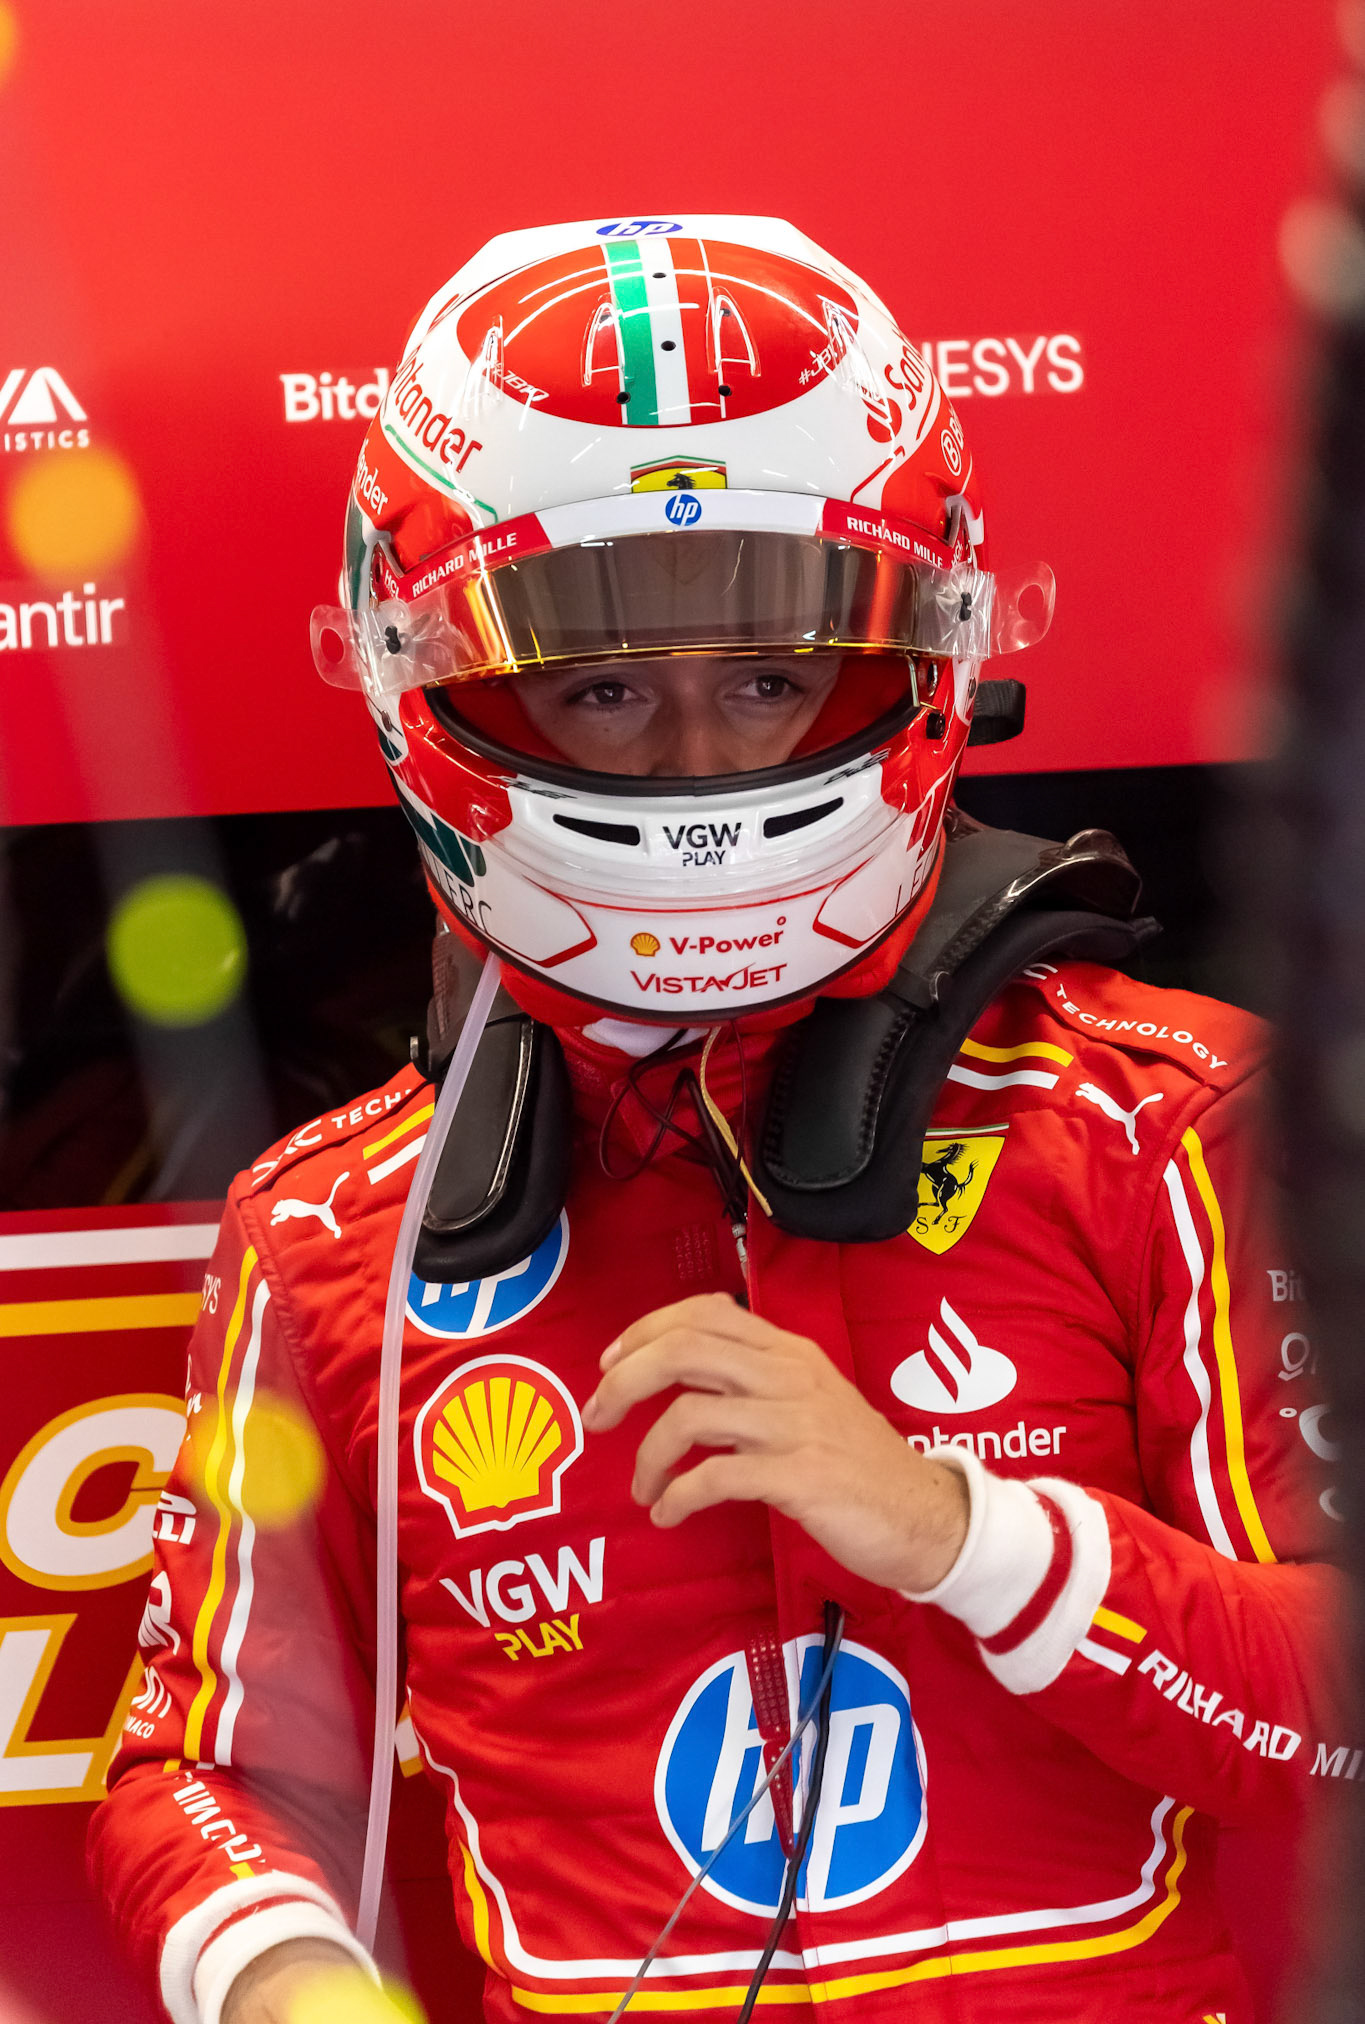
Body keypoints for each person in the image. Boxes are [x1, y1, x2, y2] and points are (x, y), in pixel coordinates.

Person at [90, 217, 1346, 2024]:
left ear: (937, 642)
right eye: (599, 688)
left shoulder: (1163, 1123)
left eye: (771, 676)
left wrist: (955, 1532)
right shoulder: (324, 1234)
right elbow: (204, 1772)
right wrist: (296, 1986)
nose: (696, 759)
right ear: (415, 681)